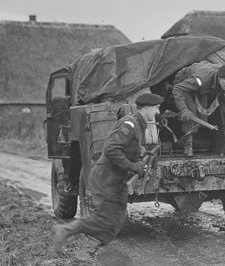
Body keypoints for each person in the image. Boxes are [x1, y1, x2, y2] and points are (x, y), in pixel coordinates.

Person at [52, 93, 163, 254]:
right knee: (104, 219)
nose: (158, 112)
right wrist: (132, 166)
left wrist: (141, 151)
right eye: (156, 108)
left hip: (117, 181)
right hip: (105, 179)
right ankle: (66, 230)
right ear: (146, 107)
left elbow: (126, 145)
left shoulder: (140, 124)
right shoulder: (129, 124)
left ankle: (88, 250)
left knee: (117, 221)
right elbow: (110, 148)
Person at [172, 62, 225, 157]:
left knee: (203, 121)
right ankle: (188, 144)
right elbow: (178, 89)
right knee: (191, 111)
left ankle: (197, 139)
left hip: (203, 89)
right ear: (219, 78)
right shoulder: (202, 79)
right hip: (184, 82)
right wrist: (183, 109)